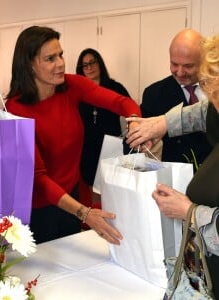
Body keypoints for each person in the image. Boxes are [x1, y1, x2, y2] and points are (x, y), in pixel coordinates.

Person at [5, 25, 141, 244]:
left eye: (60, 55)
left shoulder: (71, 85)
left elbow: (121, 102)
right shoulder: (14, 110)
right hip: (38, 208)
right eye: (50, 58)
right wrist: (85, 213)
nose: (60, 63)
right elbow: (38, 178)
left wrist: (136, 124)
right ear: (29, 65)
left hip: (72, 196)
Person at [131, 34, 219, 299]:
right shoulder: (212, 105)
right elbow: (203, 112)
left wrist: (189, 211)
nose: (212, 99)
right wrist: (162, 124)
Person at [140, 28, 212, 171]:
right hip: (175, 181)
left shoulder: (215, 87)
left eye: (188, 66)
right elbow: (136, 140)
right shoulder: (154, 94)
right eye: (174, 64)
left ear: (204, 61)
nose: (179, 72)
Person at [75, 48, 130, 207]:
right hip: (88, 149)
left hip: (111, 148)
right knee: (94, 191)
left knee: (113, 190)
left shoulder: (115, 87)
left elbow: (130, 113)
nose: (89, 68)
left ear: (100, 64)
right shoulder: (77, 92)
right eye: (85, 65)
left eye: (92, 63)